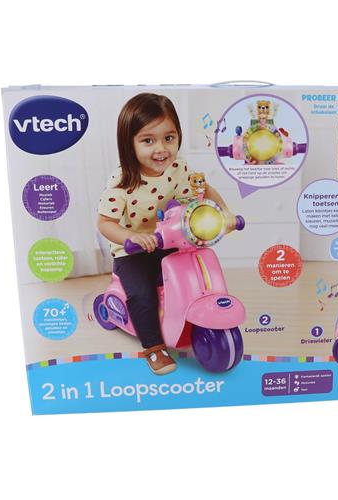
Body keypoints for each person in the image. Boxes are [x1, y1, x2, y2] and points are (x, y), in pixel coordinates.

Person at [97, 93, 236, 375]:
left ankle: (188, 318)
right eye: (148, 140)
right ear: (129, 143)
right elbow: (105, 222)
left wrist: (225, 213)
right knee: (143, 294)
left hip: (172, 240)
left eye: (169, 138)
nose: (161, 149)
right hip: (133, 252)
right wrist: (130, 237)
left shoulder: (179, 168)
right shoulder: (123, 180)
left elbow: (204, 190)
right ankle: (154, 347)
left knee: (197, 274)